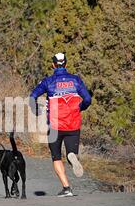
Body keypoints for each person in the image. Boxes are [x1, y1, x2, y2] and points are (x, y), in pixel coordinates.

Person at [30, 53, 92, 197]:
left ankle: (66, 188)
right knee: (71, 152)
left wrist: (37, 110)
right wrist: (80, 107)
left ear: (53, 65)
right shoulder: (76, 80)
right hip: (73, 123)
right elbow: (88, 99)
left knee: (56, 156)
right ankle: (71, 155)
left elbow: (33, 96)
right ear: (66, 64)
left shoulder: (48, 81)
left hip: (55, 125)